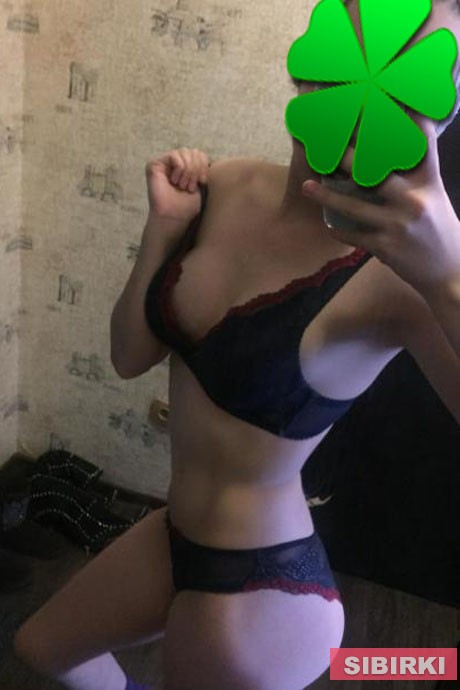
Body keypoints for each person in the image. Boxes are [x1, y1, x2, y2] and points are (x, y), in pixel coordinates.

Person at [12, 1, 460, 689]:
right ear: (313, 59)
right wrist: (163, 231)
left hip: (263, 590)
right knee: (42, 647)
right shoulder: (225, 185)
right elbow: (129, 357)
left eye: (418, 82)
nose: (370, 93)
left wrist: (449, 274)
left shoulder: (400, 278)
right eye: (356, 51)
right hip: (172, 533)